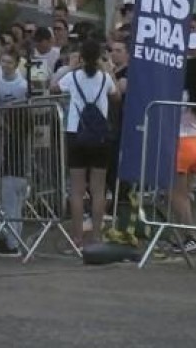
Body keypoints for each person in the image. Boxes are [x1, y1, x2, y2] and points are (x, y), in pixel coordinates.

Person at [59, 39, 118, 247]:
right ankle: (96, 236)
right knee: (98, 189)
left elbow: (53, 86)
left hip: (76, 133)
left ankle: (77, 237)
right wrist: (108, 69)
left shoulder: (72, 77)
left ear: (81, 57)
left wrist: (72, 66)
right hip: (100, 136)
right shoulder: (105, 78)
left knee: (76, 189)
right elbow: (116, 95)